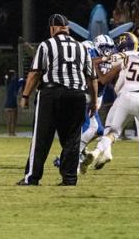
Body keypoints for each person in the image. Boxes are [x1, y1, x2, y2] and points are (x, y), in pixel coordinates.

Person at [19, 14, 96, 186]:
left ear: (53, 28)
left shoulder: (47, 45)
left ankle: (32, 177)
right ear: (67, 28)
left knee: (41, 137)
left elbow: (35, 73)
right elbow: (92, 77)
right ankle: (69, 178)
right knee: (72, 138)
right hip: (77, 95)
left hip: (51, 93)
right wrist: (94, 101)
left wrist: (25, 96)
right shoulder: (82, 47)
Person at [88, 38, 139, 176]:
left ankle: (96, 152)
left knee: (112, 133)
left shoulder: (128, 58)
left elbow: (98, 64)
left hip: (125, 96)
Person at [3, 69, 23, 137]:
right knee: (14, 119)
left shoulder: (7, 82)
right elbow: (20, 85)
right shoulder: (14, 83)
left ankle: (9, 133)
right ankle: (13, 132)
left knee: (9, 119)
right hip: (13, 102)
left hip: (7, 103)